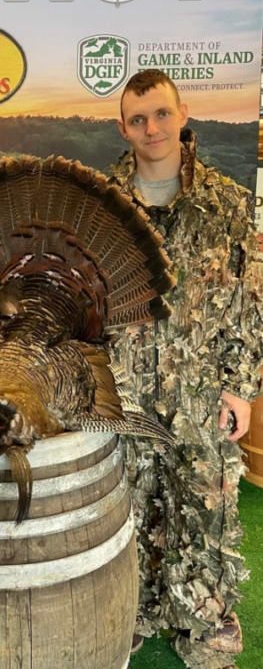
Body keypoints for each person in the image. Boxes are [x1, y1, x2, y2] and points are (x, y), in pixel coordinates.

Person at [109, 69, 263, 669]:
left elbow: (251, 299)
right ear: (123, 128)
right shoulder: (102, 203)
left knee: (205, 510)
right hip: (122, 393)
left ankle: (205, 626)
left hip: (201, 392)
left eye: (161, 114)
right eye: (138, 119)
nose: (152, 128)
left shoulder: (227, 203)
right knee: (126, 508)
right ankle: (129, 614)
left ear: (183, 115)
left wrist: (241, 388)